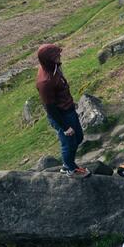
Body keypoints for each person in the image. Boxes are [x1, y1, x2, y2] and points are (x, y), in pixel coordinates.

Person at [36, 43, 91, 178]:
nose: (60, 56)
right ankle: (69, 169)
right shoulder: (45, 82)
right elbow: (50, 108)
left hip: (68, 110)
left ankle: (69, 164)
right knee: (68, 143)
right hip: (62, 115)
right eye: (56, 55)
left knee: (78, 137)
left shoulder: (53, 68)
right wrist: (65, 127)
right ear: (48, 59)